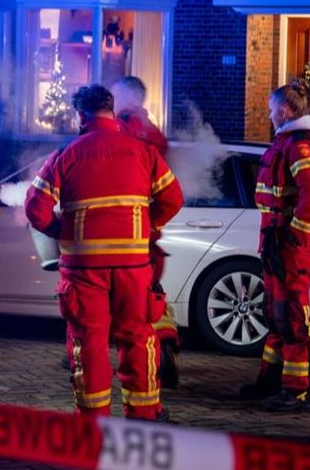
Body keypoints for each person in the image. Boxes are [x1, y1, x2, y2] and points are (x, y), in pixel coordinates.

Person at [25, 84, 184, 420]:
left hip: (84, 271)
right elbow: (173, 199)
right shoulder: (142, 151)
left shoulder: (65, 154)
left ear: (80, 115)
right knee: (137, 340)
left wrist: (61, 230)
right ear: (111, 110)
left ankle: (94, 425)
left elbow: (34, 209)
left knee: (90, 344)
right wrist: (144, 226)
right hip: (133, 267)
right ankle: (143, 420)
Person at [237, 80, 310, 411]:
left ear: (286, 110)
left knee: (291, 315)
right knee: (274, 313)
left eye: (273, 108)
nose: (269, 113)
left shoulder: (300, 146)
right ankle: (270, 380)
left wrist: (295, 235)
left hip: (288, 245)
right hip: (275, 240)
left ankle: (298, 388)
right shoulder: (285, 142)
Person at [110, 76, 180, 388]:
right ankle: (164, 346)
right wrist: (153, 223)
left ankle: (140, 365)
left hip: (120, 235)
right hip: (147, 233)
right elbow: (168, 192)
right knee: (151, 294)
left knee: (121, 303)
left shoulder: (122, 131)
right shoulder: (155, 135)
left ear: (127, 97)